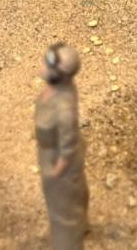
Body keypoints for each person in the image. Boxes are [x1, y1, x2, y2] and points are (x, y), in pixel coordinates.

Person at [36, 43, 89, 249]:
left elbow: (68, 146)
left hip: (57, 161)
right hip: (50, 152)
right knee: (69, 202)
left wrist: (56, 172)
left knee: (63, 211)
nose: (41, 66)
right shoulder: (56, 92)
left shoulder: (63, 108)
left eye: (47, 65)